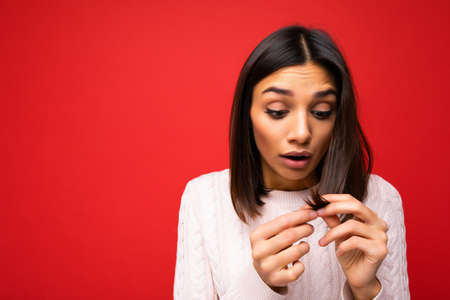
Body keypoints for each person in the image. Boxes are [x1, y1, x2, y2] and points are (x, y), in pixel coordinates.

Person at [173, 25, 410, 299]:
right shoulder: (204, 199)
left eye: (321, 113)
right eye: (277, 111)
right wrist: (261, 285)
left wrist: (367, 290)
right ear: (247, 115)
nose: (301, 133)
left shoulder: (379, 199)